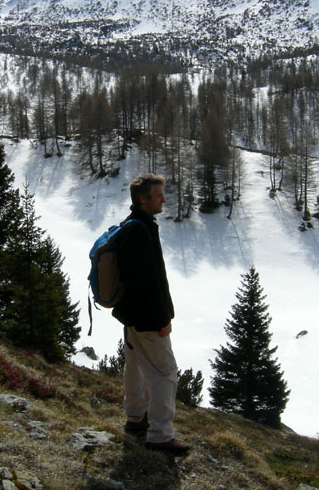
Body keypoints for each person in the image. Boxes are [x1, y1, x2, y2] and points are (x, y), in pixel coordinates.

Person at [112, 173, 190, 455]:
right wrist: (162, 320)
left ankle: (135, 419)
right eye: (159, 195)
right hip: (147, 318)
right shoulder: (140, 231)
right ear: (143, 199)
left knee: (135, 367)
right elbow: (148, 282)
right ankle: (159, 435)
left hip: (132, 315)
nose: (164, 200)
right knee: (164, 373)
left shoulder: (134, 226)